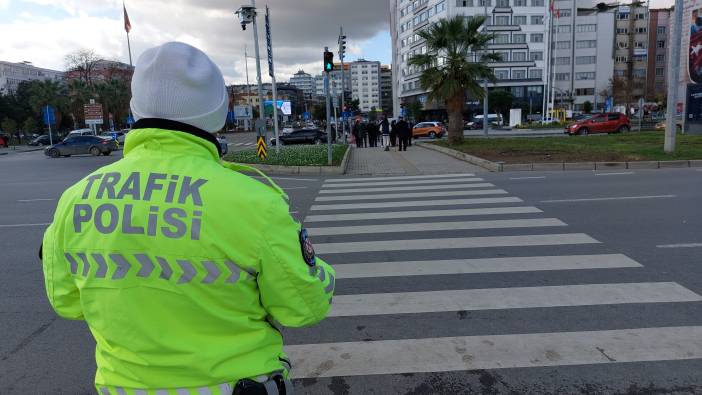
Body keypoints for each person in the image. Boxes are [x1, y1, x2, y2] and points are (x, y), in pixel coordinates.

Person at [40, 42, 335, 395]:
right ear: (218, 113)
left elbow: (67, 302)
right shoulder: (254, 202)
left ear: (135, 108)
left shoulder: (76, 198)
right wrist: (320, 273)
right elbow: (303, 307)